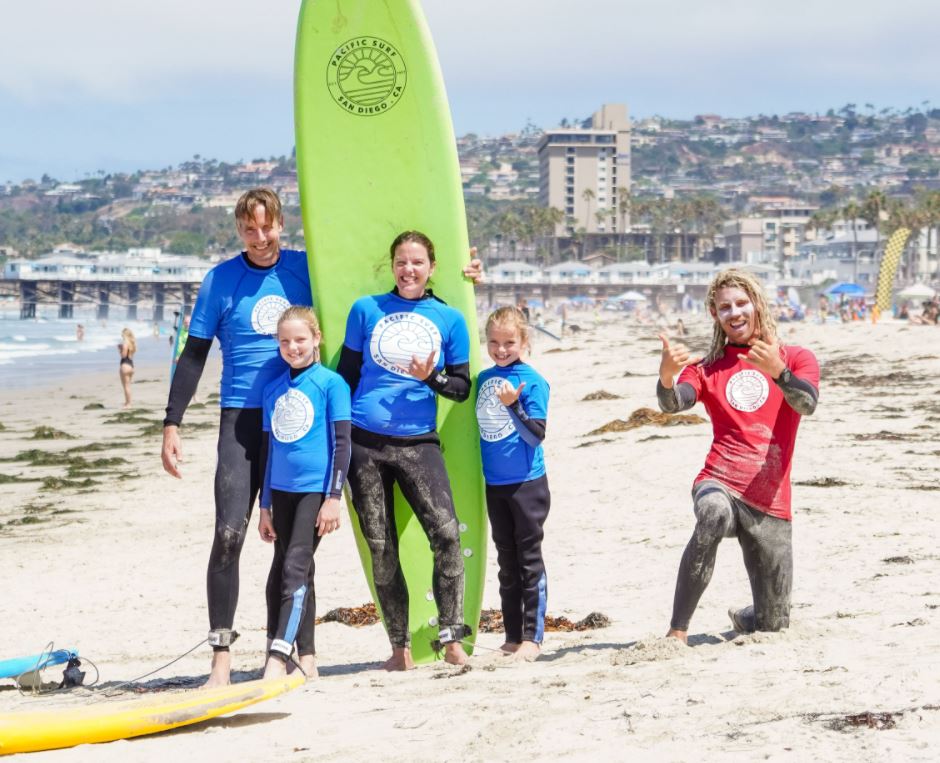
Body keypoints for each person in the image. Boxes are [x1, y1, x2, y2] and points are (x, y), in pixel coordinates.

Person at [160, 188, 483, 686]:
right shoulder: (219, 281)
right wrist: (172, 422)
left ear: (282, 224)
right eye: (250, 229)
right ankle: (221, 659)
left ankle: (296, 653)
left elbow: (385, 287)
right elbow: (195, 353)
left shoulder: (307, 270)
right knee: (229, 535)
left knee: (294, 547)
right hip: (242, 420)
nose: (260, 237)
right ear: (239, 230)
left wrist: (466, 275)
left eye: (268, 227)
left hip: (302, 421)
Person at [656, 268, 819, 642]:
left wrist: (779, 372)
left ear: (758, 304)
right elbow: (673, 404)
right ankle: (677, 631)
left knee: (773, 624)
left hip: (771, 500)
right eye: (724, 307)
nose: (735, 313)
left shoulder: (795, 357)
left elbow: (807, 403)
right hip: (720, 481)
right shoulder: (706, 368)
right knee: (712, 514)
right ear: (715, 314)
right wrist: (666, 377)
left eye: (742, 303)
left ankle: (748, 616)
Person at [337, 231, 472, 670]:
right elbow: (346, 377)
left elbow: (461, 388)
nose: (408, 269)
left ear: (431, 267)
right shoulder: (366, 309)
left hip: (419, 442)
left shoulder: (449, 320)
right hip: (365, 443)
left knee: (447, 535)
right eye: (401, 261)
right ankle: (400, 649)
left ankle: (452, 640)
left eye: (417, 262)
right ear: (391, 265)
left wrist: (431, 376)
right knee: (381, 545)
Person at [257, 306, 351, 680]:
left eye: (300, 339)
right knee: (285, 572)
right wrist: (264, 506)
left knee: (295, 567)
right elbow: (268, 452)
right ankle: (307, 658)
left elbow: (342, 444)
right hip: (280, 492)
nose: (292, 347)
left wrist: (334, 497)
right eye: (284, 341)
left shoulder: (331, 384)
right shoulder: (273, 389)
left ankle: (278, 658)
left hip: (315, 492)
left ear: (316, 339)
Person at [475, 307, 550, 662]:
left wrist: (514, 405)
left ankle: (533, 639)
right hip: (495, 484)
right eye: (494, 342)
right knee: (506, 562)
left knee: (528, 560)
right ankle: (512, 635)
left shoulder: (532, 381)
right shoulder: (482, 380)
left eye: (509, 343)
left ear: (524, 342)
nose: (501, 350)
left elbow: (536, 436)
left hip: (527, 484)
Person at [118, 328, 136, 408]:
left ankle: (128, 403)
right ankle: (128, 402)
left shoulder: (125, 343)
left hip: (125, 365)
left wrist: (120, 349)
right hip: (131, 365)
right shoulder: (132, 344)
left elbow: (123, 355)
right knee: (128, 385)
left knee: (125, 386)